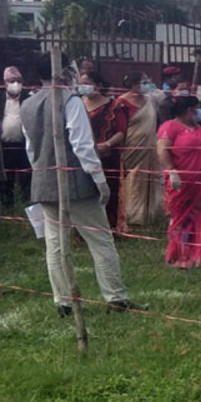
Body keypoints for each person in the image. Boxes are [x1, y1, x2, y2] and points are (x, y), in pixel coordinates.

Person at [21, 60, 145, 315]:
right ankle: (116, 298)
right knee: (100, 240)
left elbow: (31, 149)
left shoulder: (28, 104)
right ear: (65, 72)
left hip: (45, 181)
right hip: (76, 182)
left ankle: (63, 302)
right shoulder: (71, 100)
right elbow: (82, 146)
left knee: (55, 245)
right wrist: (99, 180)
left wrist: (41, 174)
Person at [156, 96, 201, 269]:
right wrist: (172, 171)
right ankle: (181, 256)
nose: (200, 111)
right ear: (189, 109)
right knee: (183, 218)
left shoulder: (197, 127)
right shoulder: (170, 127)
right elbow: (162, 150)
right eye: (197, 107)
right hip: (184, 182)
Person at [81, 72, 127, 228]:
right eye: (81, 83)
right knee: (84, 193)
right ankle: (84, 229)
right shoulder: (77, 105)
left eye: (86, 83)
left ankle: (110, 227)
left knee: (108, 192)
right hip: (82, 157)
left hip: (107, 157)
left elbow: (121, 132)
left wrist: (107, 144)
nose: (83, 87)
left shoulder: (115, 107)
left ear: (98, 85)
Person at [118, 74, 164, 228]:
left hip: (149, 146)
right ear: (133, 84)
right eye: (143, 82)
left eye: (148, 82)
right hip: (131, 146)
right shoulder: (121, 102)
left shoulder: (151, 100)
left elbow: (163, 100)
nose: (147, 85)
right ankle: (131, 214)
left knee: (148, 178)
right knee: (133, 179)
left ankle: (147, 214)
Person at [3, 66, 32, 210]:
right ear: (4, 83)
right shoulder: (1, 101)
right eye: (11, 81)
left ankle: (26, 203)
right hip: (5, 146)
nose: (15, 84)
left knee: (26, 174)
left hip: (24, 145)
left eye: (18, 81)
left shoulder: (29, 99)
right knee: (7, 175)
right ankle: (7, 203)